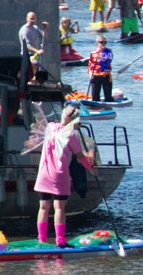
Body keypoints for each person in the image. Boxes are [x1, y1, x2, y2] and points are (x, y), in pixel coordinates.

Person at [33, 104, 96, 247]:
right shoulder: (71, 136)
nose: (79, 123)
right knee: (59, 207)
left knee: (43, 207)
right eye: (77, 120)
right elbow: (80, 157)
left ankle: (41, 239)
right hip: (59, 174)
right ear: (70, 119)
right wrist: (90, 166)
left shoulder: (50, 127)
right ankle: (60, 240)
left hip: (44, 173)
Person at [19, 12, 47, 82]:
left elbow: (44, 36)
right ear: (27, 19)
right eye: (31, 19)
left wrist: (45, 28)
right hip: (27, 55)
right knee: (30, 74)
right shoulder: (25, 30)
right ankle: (30, 84)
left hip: (35, 55)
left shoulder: (35, 27)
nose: (33, 20)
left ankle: (36, 83)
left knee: (35, 73)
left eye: (34, 19)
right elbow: (27, 45)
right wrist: (37, 51)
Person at [87, 36, 113, 102]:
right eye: (101, 42)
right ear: (97, 43)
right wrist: (90, 74)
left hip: (106, 75)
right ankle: (95, 106)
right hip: (95, 75)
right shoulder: (93, 53)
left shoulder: (108, 51)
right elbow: (90, 64)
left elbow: (109, 60)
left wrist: (100, 57)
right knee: (95, 97)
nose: (103, 44)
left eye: (105, 42)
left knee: (108, 97)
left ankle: (108, 104)